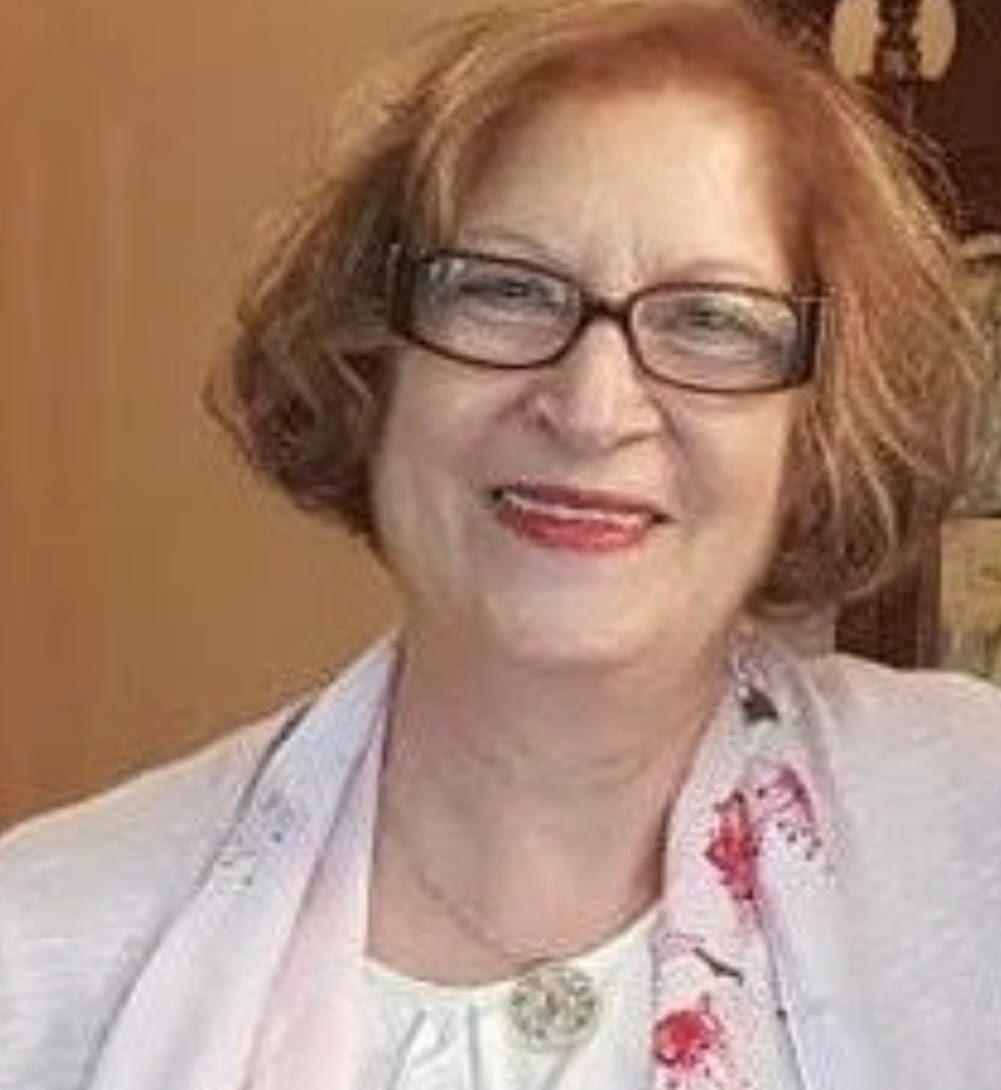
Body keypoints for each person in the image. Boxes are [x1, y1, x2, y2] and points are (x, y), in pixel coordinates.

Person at [2, 1, 1000, 1087]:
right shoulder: (42, 953)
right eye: (505, 290)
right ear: (372, 359)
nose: (592, 407)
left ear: (817, 423)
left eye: (709, 319)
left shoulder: (969, 836)